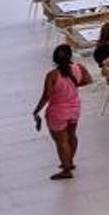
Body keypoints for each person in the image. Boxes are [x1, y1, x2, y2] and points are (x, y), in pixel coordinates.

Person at [31, 44, 92, 179]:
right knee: (72, 136)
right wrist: (75, 85)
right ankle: (69, 161)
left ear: (55, 59)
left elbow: (46, 96)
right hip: (74, 108)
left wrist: (36, 111)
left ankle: (66, 170)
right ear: (70, 55)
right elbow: (88, 80)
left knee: (61, 142)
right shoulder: (78, 67)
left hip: (57, 112)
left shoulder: (52, 75)